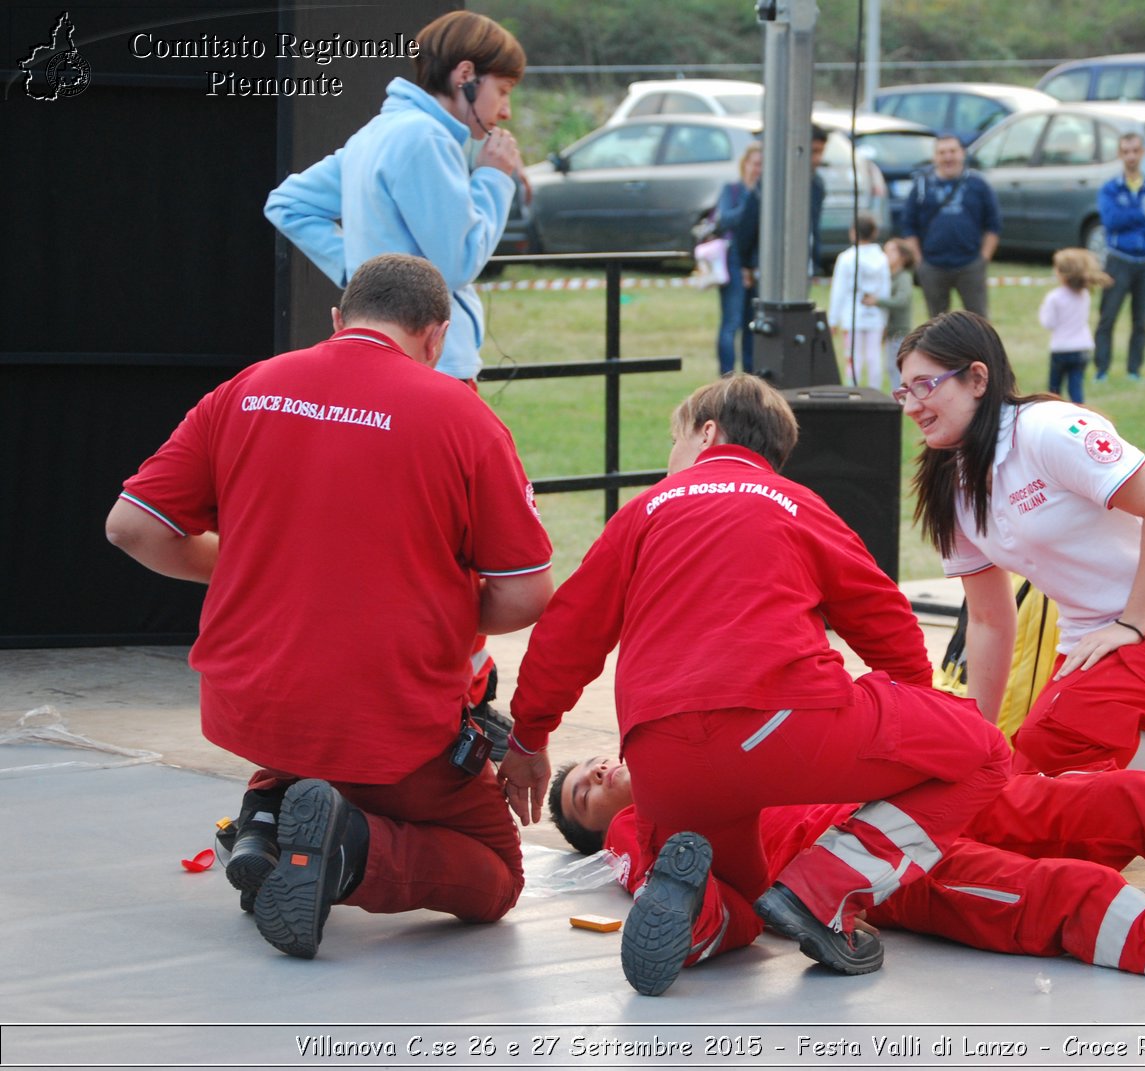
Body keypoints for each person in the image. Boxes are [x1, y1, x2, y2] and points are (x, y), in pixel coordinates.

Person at [104, 254, 555, 959]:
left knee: (306, 747)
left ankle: (267, 825)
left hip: (254, 708)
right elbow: (526, 591)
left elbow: (131, 527)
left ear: (338, 320)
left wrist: (245, 567)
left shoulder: (249, 388)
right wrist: (448, 605)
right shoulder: (463, 418)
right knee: (497, 877)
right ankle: (349, 852)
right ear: (436, 337)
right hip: (390, 720)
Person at [501, 375, 1011, 996]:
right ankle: (825, 890)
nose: (671, 456)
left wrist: (529, 737)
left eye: (674, 438)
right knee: (986, 751)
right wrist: (913, 708)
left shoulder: (644, 510)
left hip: (660, 755)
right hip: (785, 722)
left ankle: (697, 922)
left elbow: (567, 634)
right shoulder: (796, 502)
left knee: (739, 893)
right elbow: (884, 619)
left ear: (707, 433)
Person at [549, 754, 1145, 1017]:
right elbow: (703, 903)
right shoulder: (644, 827)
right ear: (596, 828)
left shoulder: (684, 735)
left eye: (587, 765)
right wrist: (692, 921)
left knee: (1134, 796)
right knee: (1073, 895)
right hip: (877, 858)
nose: (594, 773)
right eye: (580, 793)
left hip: (932, 792)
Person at [264, 10, 528, 729]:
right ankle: (458, 689)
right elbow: (459, 260)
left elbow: (287, 203)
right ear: (465, 76)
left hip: (387, 360)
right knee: (459, 538)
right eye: (502, 89)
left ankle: (430, 686)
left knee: (402, 536)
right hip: (439, 372)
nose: (506, 111)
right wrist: (497, 179)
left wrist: (366, 281)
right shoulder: (425, 139)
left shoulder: (379, 131)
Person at [895, 310, 1145, 819]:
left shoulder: (1048, 429)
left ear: (978, 379)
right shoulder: (948, 489)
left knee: (1053, 735)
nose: (912, 405)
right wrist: (979, 739)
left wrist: (1132, 624)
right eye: (904, 392)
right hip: (1096, 646)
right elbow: (989, 620)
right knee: (1018, 797)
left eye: (925, 385)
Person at [1093, 132, 1145, 383]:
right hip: (1119, 259)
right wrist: (1140, 214)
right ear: (1120, 154)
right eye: (1126, 151)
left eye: (1136, 151)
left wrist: (1130, 216)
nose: (1131, 157)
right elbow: (1111, 221)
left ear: (1143, 153)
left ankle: (1134, 370)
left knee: (1141, 320)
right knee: (1108, 317)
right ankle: (1101, 370)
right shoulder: (1110, 188)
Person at [902, 134, 1002, 319]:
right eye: (942, 153)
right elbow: (909, 226)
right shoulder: (921, 186)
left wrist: (983, 259)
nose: (948, 157)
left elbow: (993, 225)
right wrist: (919, 262)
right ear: (935, 157)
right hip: (933, 265)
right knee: (936, 325)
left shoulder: (978, 185)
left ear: (962, 154)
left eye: (952, 151)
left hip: (970, 264)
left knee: (978, 322)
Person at [734, 126, 829, 294]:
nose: (817, 159)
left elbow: (813, 226)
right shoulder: (771, 181)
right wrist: (746, 262)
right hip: (767, 265)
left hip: (801, 266)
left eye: (821, 152)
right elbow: (749, 223)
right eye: (814, 151)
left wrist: (814, 261)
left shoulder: (816, 185)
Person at [827, 213, 893, 389]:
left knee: (853, 356)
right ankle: (875, 392)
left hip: (851, 316)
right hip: (876, 316)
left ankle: (852, 391)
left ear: (853, 232)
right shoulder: (882, 258)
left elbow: (838, 290)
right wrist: (885, 317)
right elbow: (885, 289)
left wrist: (833, 320)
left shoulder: (846, 258)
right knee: (874, 357)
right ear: (874, 233)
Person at [714, 142, 762, 376]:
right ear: (745, 164)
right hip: (731, 260)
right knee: (731, 322)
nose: (758, 169)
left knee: (751, 323)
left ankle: (750, 376)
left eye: (763, 165)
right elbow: (724, 220)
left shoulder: (765, 195)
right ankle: (726, 376)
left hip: (753, 264)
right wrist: (750, 203)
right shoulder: (732, 190)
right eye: (755, 164)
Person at [1038, 247, 1110, 404]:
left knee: (1054, 390)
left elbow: (1048, 323)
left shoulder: (1054, 297)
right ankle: (1081, 415)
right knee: (1075, 387)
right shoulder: (1085, 295)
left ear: (1062, 273)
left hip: (1061, 348)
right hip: (1083, 347)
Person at [879, 237, 919, 392]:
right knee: (890, 366)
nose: (886, 254)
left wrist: (877, 301)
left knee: (896, 368)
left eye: (891, 251)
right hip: (891, 332)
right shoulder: (888, 277)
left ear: (903, 257)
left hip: (900, 333)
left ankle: (899, 397)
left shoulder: (904, 277)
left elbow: (901, 300)